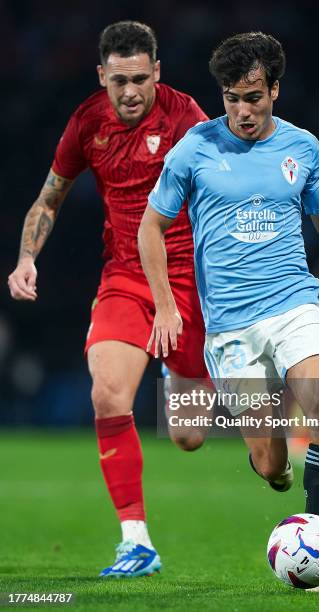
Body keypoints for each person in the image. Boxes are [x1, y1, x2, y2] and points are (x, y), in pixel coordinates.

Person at [138, 32, 319, 591]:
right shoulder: (194, 149)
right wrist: (165, 305)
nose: (242, 110)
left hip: (293, 305)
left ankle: (317, 544)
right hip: (231, 329)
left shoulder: (303, 148)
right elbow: (151, 228)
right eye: (232, 97)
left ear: (274, 90)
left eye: (253, 97)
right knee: (272, 465)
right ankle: (278, 472)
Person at [7, 20, 209, 578]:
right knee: (107, 395)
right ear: (102, 76)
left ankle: (182, 373)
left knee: (189, 437)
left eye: (140, 78)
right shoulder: (86, 123)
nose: (129, 92)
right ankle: (136, 542)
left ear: (157, 72)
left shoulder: (186, 117)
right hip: (125, 279)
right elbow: (49, 199)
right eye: (118, 80)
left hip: (187, 283)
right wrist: (27, 258)